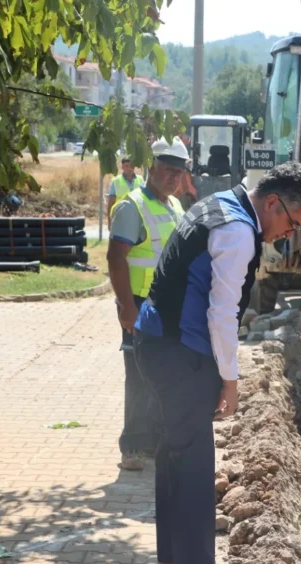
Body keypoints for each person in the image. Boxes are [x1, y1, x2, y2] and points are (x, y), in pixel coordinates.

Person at [134, 162, 301, 564]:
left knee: (174, 450)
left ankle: (172, 561)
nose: (288, 236)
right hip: (181, 351)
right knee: (196, 458)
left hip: (158, 343)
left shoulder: (218, 204)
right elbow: (222, 314)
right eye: (292, 224)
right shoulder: (239, 233)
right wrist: (230, 379)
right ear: (273, 203)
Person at [106, 138, 188, 471]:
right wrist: (127, 307)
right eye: (168, 170)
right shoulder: (132, 207)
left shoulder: (174, 207)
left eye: (178, 172)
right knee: (139, 376)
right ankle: (133, 447)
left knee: (161, 373)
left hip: (166, 305)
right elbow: (115, 259)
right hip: (139, 304)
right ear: (151, 167)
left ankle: (154, 441)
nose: (173, 177)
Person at [105, 157, 144, 229]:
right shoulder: (116, 181)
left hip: (137, 218)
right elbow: (111, 203)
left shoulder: (140, 180)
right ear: (122, 167)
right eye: (127, 166)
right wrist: (109, 221)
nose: (130, 168)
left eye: (132, 166)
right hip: (121, 217)